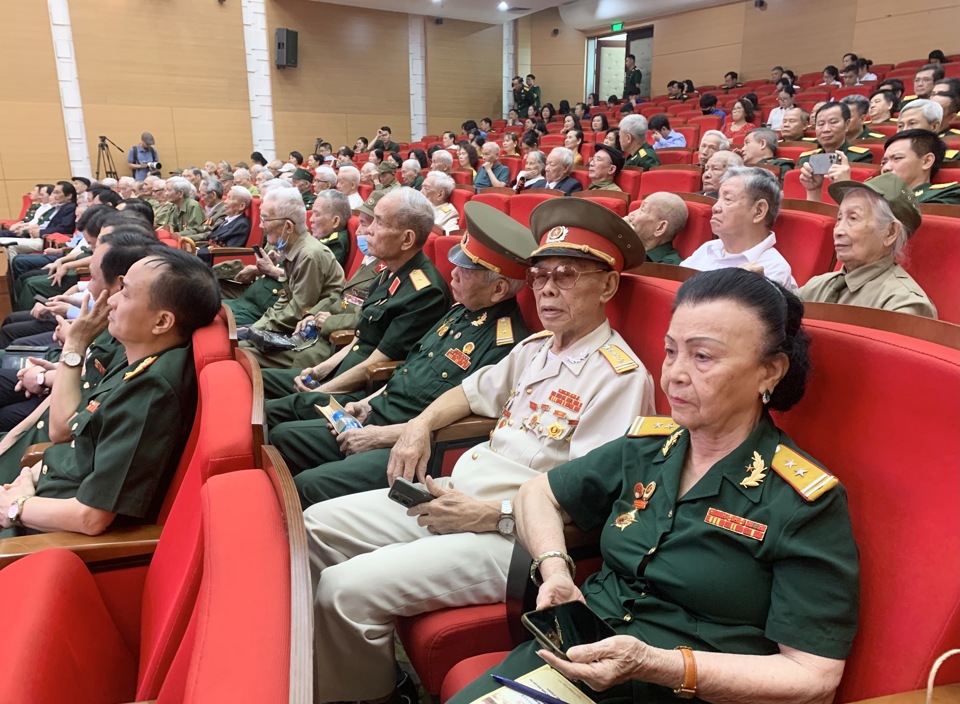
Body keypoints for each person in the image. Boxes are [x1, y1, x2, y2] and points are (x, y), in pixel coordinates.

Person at [447, 266, 858, 704]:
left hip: (688, 689)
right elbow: (538, 492)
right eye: (670, 351)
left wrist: (659, 664)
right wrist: (556, 571)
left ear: (769, 372)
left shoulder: (802, 501)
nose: (676, 374)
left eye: (703, 357)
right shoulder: (649, 446)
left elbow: (813, 676)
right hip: (579, 656)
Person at [303, 197, 656, 704]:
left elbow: (593, 500)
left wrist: (489, 515)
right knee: (316, 525)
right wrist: (418, 427)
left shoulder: (618, 377)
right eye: (539, 277)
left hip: (514, 536)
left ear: (608, 285)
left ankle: (368, 696)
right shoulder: (535, 349)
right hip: (453, 492)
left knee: (344, 589)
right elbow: (465, 393)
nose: (548, 288)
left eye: (567, 275)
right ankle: (362, 671)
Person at [272, 202, 533, 505]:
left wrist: (376, 436)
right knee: (283, 436)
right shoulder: (459, 312)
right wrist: (365, 405)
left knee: (308, 484)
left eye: (467, 269)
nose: (454, 273)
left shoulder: (506, 346)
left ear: (499, 289)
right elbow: (409, 367)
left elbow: (459, 423)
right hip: (378, 413)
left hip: (410, 443)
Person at [0, 248, 221, 537]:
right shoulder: (136, 356)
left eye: (125, 293)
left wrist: (16, 507)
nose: (111, 300)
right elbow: (74, 439)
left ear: (161, 322)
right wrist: (28, 479)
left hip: (47, 534)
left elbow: (91, 517)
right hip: (41, 490)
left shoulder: (151, 391)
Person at [261, 188, 452, 424]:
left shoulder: (425, 292)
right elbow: (359, 338)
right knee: (260, 379)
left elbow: (377, 363)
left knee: (267, 412)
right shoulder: (387, 272)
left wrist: (321, 391)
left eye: (379, 223)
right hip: (339, 370)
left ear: (407, 239)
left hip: (359, 391)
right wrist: (319, 371)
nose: (368, 230)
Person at [799, 173, 935, 318]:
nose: (838, 230)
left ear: (890, 232)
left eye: (853, 218)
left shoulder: (901, 304)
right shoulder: (816, 286)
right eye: (839, 218)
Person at [228, 187, 345, 331]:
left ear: (288, 227)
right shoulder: (294, 248)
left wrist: (255, 330)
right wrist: (256, 327)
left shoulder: (309, 255)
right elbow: (285, 300)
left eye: (265, 219)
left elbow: (298, 311)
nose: (260, 225)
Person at [683, 167, 797, 290]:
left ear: (759, 211)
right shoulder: (707, 248)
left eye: (727, 199)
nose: (715, 207)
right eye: (718, 198)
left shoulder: (773, 268)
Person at [806, 129, 960, 205]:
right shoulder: (871, 190)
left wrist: (847, 189)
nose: (887, 167)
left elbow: (904, 221)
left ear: (926, 161)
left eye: (897, 158)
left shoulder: (945, 194)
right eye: (884, 161)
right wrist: (814, 191)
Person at [798, 103, 874, 167]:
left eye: (833, 122)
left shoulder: (859, 157)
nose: (826, 129)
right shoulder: (806, 159)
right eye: (821, 124)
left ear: (846, 125)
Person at [625, 191, 688, 264]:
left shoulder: (669, 267)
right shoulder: (626, 248)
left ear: (660, 228)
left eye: (642, 210)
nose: (631, 214)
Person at [196, 186, 253, 264]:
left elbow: (229, 251)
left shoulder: (242, 224)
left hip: (217, 261)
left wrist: (196, 253)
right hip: (207, 253)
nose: (225, 201)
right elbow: (211, 239)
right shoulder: (228, 219)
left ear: (241, 206)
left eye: (230, 198)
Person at [179, 177, 226, 242]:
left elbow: (212, 233)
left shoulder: (224, 211)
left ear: (213, 195)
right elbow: (200, 229)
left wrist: (186, 238)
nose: (202, 199)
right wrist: (179, 235)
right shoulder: (214, 210)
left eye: (203, 195)